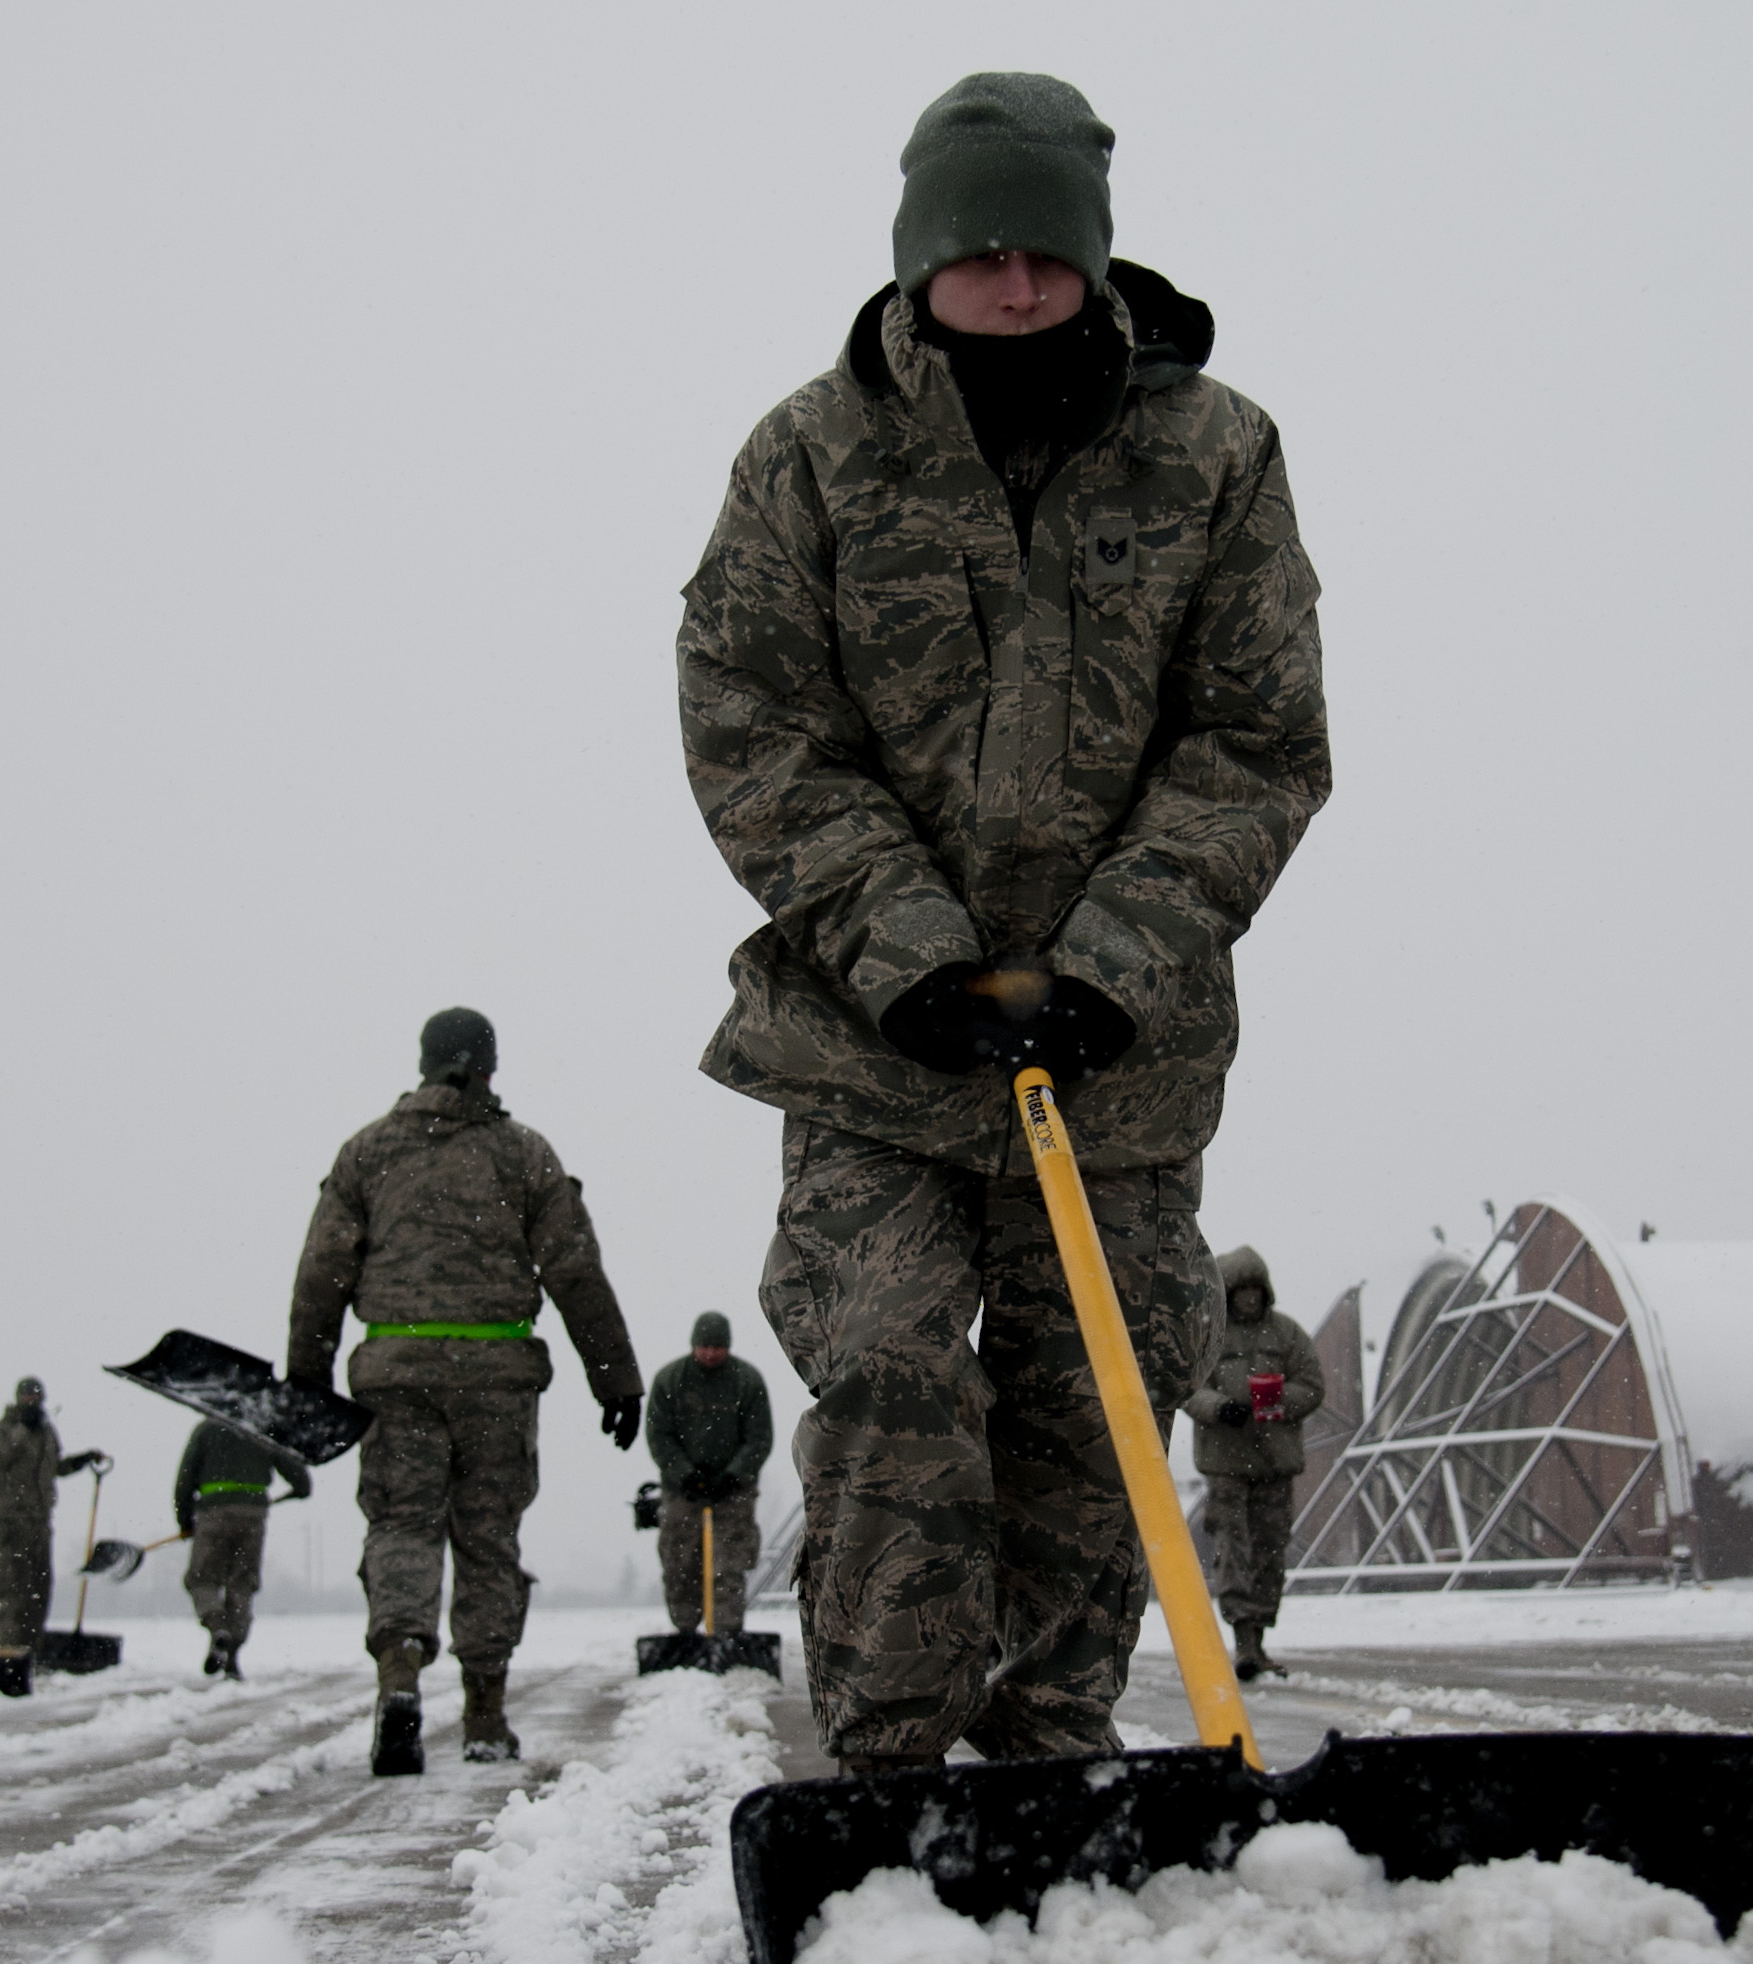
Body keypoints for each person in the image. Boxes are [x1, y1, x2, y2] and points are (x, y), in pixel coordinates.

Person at [682, 74, 1331, 1768]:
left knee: (1090, 1415)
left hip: (1118, 1058)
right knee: (894, 1377)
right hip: (870, 1048)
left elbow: (1253, 742)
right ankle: (887, 1779)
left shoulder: (1215, 454)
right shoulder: (810, 457)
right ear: (920, 259)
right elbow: (758, 725)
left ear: (1094, 255)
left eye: (1049, 249)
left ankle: (1052, 1764)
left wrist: (1109, 971)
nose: (1019, 282)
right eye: (983, 250)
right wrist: (908, 959)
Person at [288, 1006, 643, 1772]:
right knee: (487, 1540)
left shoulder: (367, 1153)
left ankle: (400, 1677)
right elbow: (573, 1269)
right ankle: (484, 1714)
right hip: (496, 1383)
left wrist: (306, 1380)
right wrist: (614, 1378)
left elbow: (323, 1271)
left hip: (396, 1380)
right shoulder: (521, 1154)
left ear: (422, 1064)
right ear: (489, 1066)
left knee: (402, 1526)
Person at [1180, 1247, 1323, 1680]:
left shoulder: (1287, 1335)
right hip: (1226, 1465)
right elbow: (1188, 1386)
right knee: (1233, 1549)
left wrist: (1280, 1401)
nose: (1247, 1300)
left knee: (1269, 1551)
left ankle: (1258, 1638)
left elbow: (1313, 1385)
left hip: (1274, 1463)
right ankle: (1243, 1639)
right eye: (1238, 1292)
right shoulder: (1208, 1335)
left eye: (1253, 1291)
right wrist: (1220, 1408)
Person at [645, 1311, 774, 1634]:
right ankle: (685, 1629)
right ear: (694, 1345)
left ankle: (727, 1633)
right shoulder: (670, 1380)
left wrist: (733, 1475)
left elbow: (759, 1438)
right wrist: (684, 1473)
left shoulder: (747, 1381)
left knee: (728, 1564)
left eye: (718, 1346)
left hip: (733, 1491)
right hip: (682, 1490)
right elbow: (659, 1435)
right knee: (680, 1561)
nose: (711, 1353)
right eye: (704, 1346)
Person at [173, 1415, 311, 1679]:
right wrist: (300, 1488)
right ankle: (233, 1654)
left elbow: (185, 1478)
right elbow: (297, 1474)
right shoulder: (263, 1426)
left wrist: (185, 1521)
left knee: (203, 1579)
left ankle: (217, 1627)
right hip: (252, 1516)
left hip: (213, 1512)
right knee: (242, 1583)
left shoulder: (206, 1428)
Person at [0, 1377, 99, 1647]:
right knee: (8, 1584)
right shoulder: (4, 1428)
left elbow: (55, 1467)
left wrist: (83, 1460)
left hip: (39, 1521)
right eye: (26, 1397)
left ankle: (32, 1645)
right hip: (7, 1520)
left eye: (35, 1397)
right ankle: (7, 1647)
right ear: (17, 1398)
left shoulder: (47, 1432)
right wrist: (21, 1429)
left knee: (39, 1586)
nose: (31, 1402)